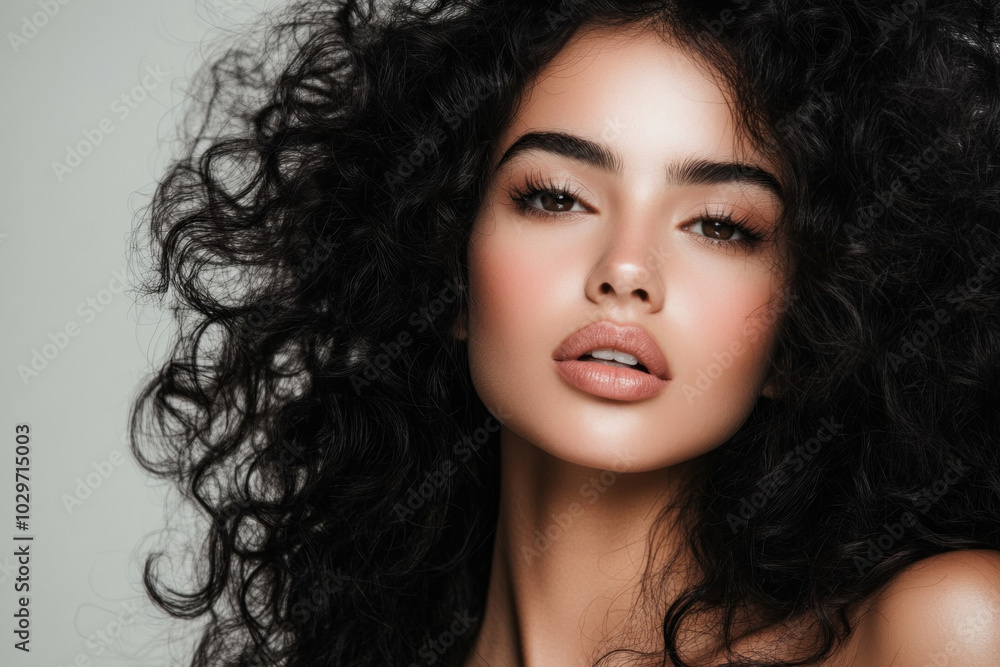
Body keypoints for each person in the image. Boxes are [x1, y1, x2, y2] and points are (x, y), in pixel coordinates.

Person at [126, 0, 1000, 665]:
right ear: (449, 269)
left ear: (805, 322)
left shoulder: (940, 633)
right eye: (555, 197)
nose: (626, 268)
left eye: (721, 225)